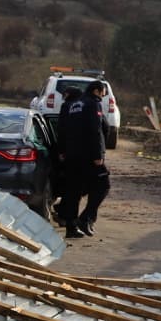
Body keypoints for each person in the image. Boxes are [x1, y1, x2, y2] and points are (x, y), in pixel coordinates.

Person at [56, 80, 110, 238]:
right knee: (103, 185)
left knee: (73, 191)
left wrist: (62, 150)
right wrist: (98, 155)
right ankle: (86, 218)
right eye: (103, 92)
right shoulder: (93, 104)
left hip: (72, 155)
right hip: (88, 155)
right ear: (97, 91)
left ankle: (71, 227)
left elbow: (62, 129)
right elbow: (95, 129)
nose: (103, 95)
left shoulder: (73, 105)